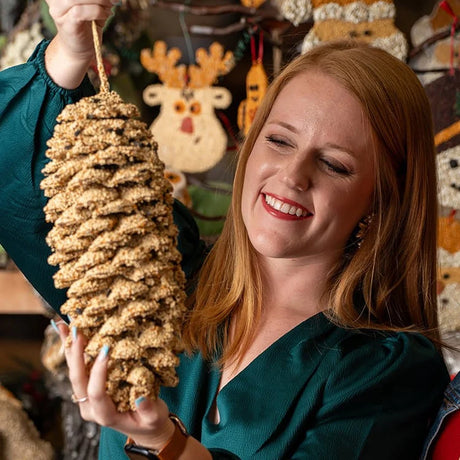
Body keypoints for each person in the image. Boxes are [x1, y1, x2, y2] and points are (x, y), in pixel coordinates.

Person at [0, 1, 450, 459]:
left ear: (382, 199)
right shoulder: (155, 269)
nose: (293, 176)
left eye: (334, 164)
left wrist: (166, 444)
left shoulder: (387, 370)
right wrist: (72, 49)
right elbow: (20, 174)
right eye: (279, 140)